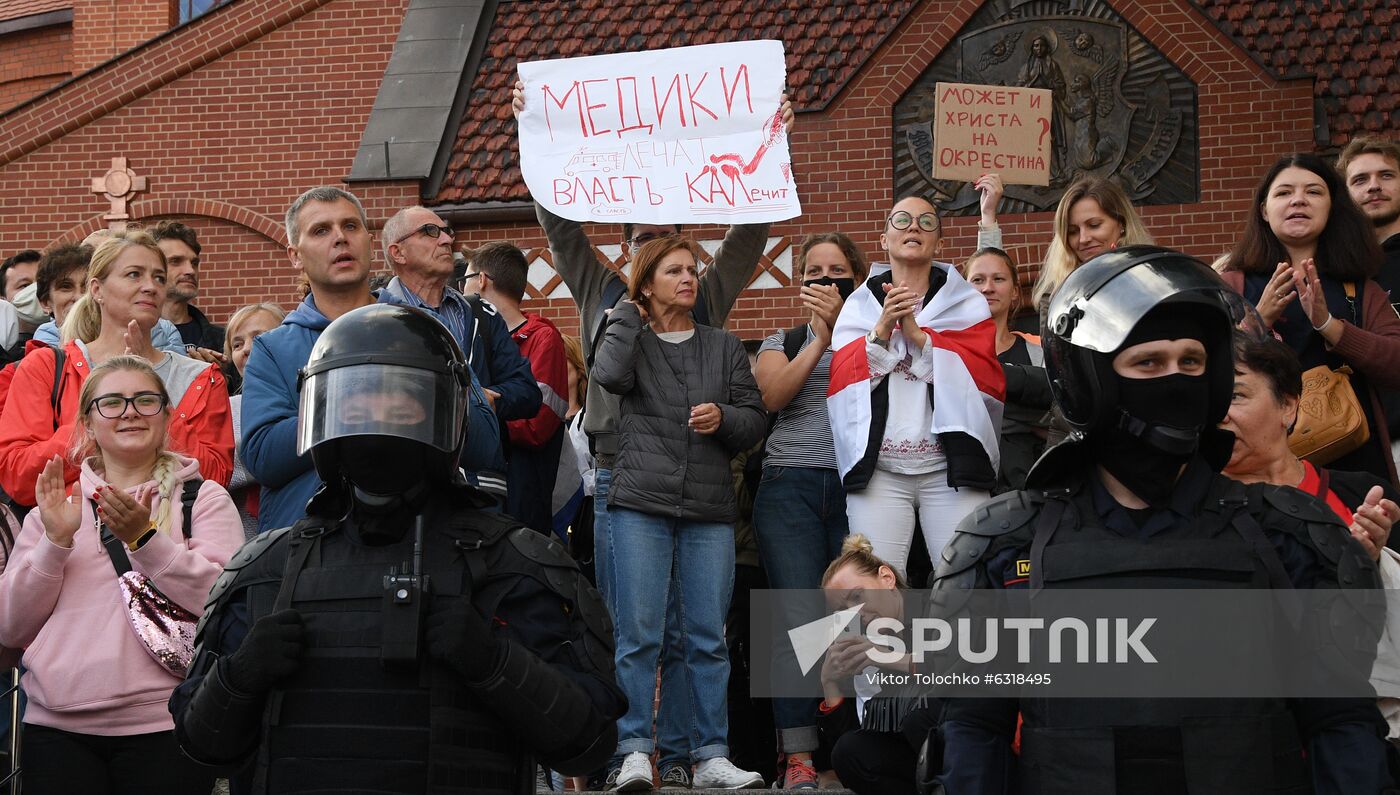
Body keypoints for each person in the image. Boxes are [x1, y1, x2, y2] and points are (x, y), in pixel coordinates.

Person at [925, 245, 1392, 794]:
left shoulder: (1290, 534)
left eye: (1191, 362)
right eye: (1149, 363)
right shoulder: (1001, 544)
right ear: (1092, 379)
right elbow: (972, 736)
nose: (1175, 380)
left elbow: (1342, 727)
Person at [170, 303, 625, 794]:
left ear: (443, 414)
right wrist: (238, 678)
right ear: (324, 413)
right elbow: (200, 747)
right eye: (358, 405)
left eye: (401, 405)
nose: (378, 422)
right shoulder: (265, 568)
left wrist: (494, 662)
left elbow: (588, 742)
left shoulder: (512, 563)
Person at [513, 80, 795, 790]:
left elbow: (748, 236)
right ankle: (635, 748)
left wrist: (770, 139)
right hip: (619, 473)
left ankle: (692, 751)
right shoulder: (602, 293)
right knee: (637, 624)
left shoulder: (707, 304)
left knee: (696, 627)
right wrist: (534, 134)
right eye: (650, 244)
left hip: (698, 475)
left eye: (679, 248)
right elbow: (559, 231)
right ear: (630, 251)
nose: (673, 259)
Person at [0, 355, 243, 794]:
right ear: (88, 424)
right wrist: (54, 542)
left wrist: (145, 541)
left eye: (145, 400)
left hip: (167, 725)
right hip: (57, 729)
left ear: (166, 416)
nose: (130, 411)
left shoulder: (203, 499)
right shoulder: (53, 511)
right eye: (111, 402)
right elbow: (11, 625)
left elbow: (222, 601)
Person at [591, 235, 768, 790]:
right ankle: (635, 750)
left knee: (706, 636)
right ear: (647, 284)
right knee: (640, 632)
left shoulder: (724, 345)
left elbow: (755, 421)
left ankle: (711, 753)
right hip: (640, 502)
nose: (689, 278)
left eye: (692, 269)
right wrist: (625, 308)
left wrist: (726, 420)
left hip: (709, 507)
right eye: (674, 271)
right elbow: (608, 375)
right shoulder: (631, 336)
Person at [827, 196, 1004, 578]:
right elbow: (841, 379)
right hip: (880, 472)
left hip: (950, 468)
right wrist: (881, 329)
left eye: (926, 222)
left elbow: (984, 379)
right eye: (902, 220)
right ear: (884, 237)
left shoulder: (966, 303)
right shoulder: (859, 307)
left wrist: (919, 337)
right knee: (874, 584)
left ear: (938, 241)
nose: (913, 227)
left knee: (965, 582)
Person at [749, 230, 867, 788]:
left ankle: (849, 750)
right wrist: (818, 339)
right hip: (790, 489)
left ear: (857, 277)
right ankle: (796, 757)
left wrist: (847, 330)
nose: (825, 280)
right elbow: (772, 396)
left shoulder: (872, 335)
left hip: (855, 487)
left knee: (851, 617)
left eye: (836, 271)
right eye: (814, 272)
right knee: (798, 618)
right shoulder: (783, 337)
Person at [0, 231, 234, 509]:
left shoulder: (202, 377)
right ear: (97, 289)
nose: (150, 286)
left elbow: (217, 477)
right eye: (134, 274)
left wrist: (152, 393)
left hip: (175, 541)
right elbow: (18, 475)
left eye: (159, 277)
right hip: (76, 539)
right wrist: (98, 423)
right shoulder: (47, 367)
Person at [1219, 153, 1400, 484]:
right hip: (1258, 471)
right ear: (1264, 209)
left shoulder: (1359, 286)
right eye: (1284, 192)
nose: (1298, 200)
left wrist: (1329, 325)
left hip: (1354, 468)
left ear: (1332, 207)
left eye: (1314, 192)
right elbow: (1206, 366)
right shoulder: (1233, 283)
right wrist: (1259, 320)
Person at [379, 205, 541, 500]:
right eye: (429, 232)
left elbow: (527, 393)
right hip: (403, 485)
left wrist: (485, 401)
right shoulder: (377, 318)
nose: (445, 240)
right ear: (397, 252)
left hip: (480, 488)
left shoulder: (481, 313)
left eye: (445, 231)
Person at [819, 534, 938, 795]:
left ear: (886, 578)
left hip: (961, 738)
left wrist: (891, 658)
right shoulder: (864, 643)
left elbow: (967, 673)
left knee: (920, 714)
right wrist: (830, 683)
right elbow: (855, 747)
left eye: (857, 595)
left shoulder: (937, 606)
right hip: (916, 757)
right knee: (849, 752)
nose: (854, 611)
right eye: (842, 609)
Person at [466, 241, 568, 534]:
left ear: (481, 280)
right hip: (481, 483)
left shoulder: (543, 338)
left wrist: (479, 415)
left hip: (523, 489)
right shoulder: (471, 332)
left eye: (465, 280)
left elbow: (539, 422)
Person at [965, 247, 1051, 492]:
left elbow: (1058, 415)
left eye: (998, 279)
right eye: (978, 280)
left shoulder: (1038, 349)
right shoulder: (947, 350)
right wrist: (1027, 417)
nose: (987, 288)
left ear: (1015, 292)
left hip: (1029, 485)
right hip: (963, 489)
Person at [1338, 136, 1400, 470]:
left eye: (1386, 175)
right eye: (1360, 180)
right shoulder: (1335, 271)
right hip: (1356, 444)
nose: (1374, 187)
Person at [1030, 175, 1154, 327]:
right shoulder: (1055, 292)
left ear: (1122, 224)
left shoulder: (1152, 278)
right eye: (1073, 231)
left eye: (1094, 225)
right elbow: (1053, 349)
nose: (1083, 239)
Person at [0, 243, 91, 410]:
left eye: (87, 287)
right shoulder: (20, 371)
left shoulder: (132, 349)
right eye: (66, 287)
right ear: (45, 303)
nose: (79, 297)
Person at [224, 302, 285, 538]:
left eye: (260, 338)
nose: (246, 349)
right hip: (242, 542)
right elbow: (217, 471)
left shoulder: (304, 400)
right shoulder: (224, 408)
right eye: (237, 344)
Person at [151, 221, 226, 362]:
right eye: (175, 261)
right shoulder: (131, 336)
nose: (190, 271)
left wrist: (218, 377)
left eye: (194, 263)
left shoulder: (223, 340)